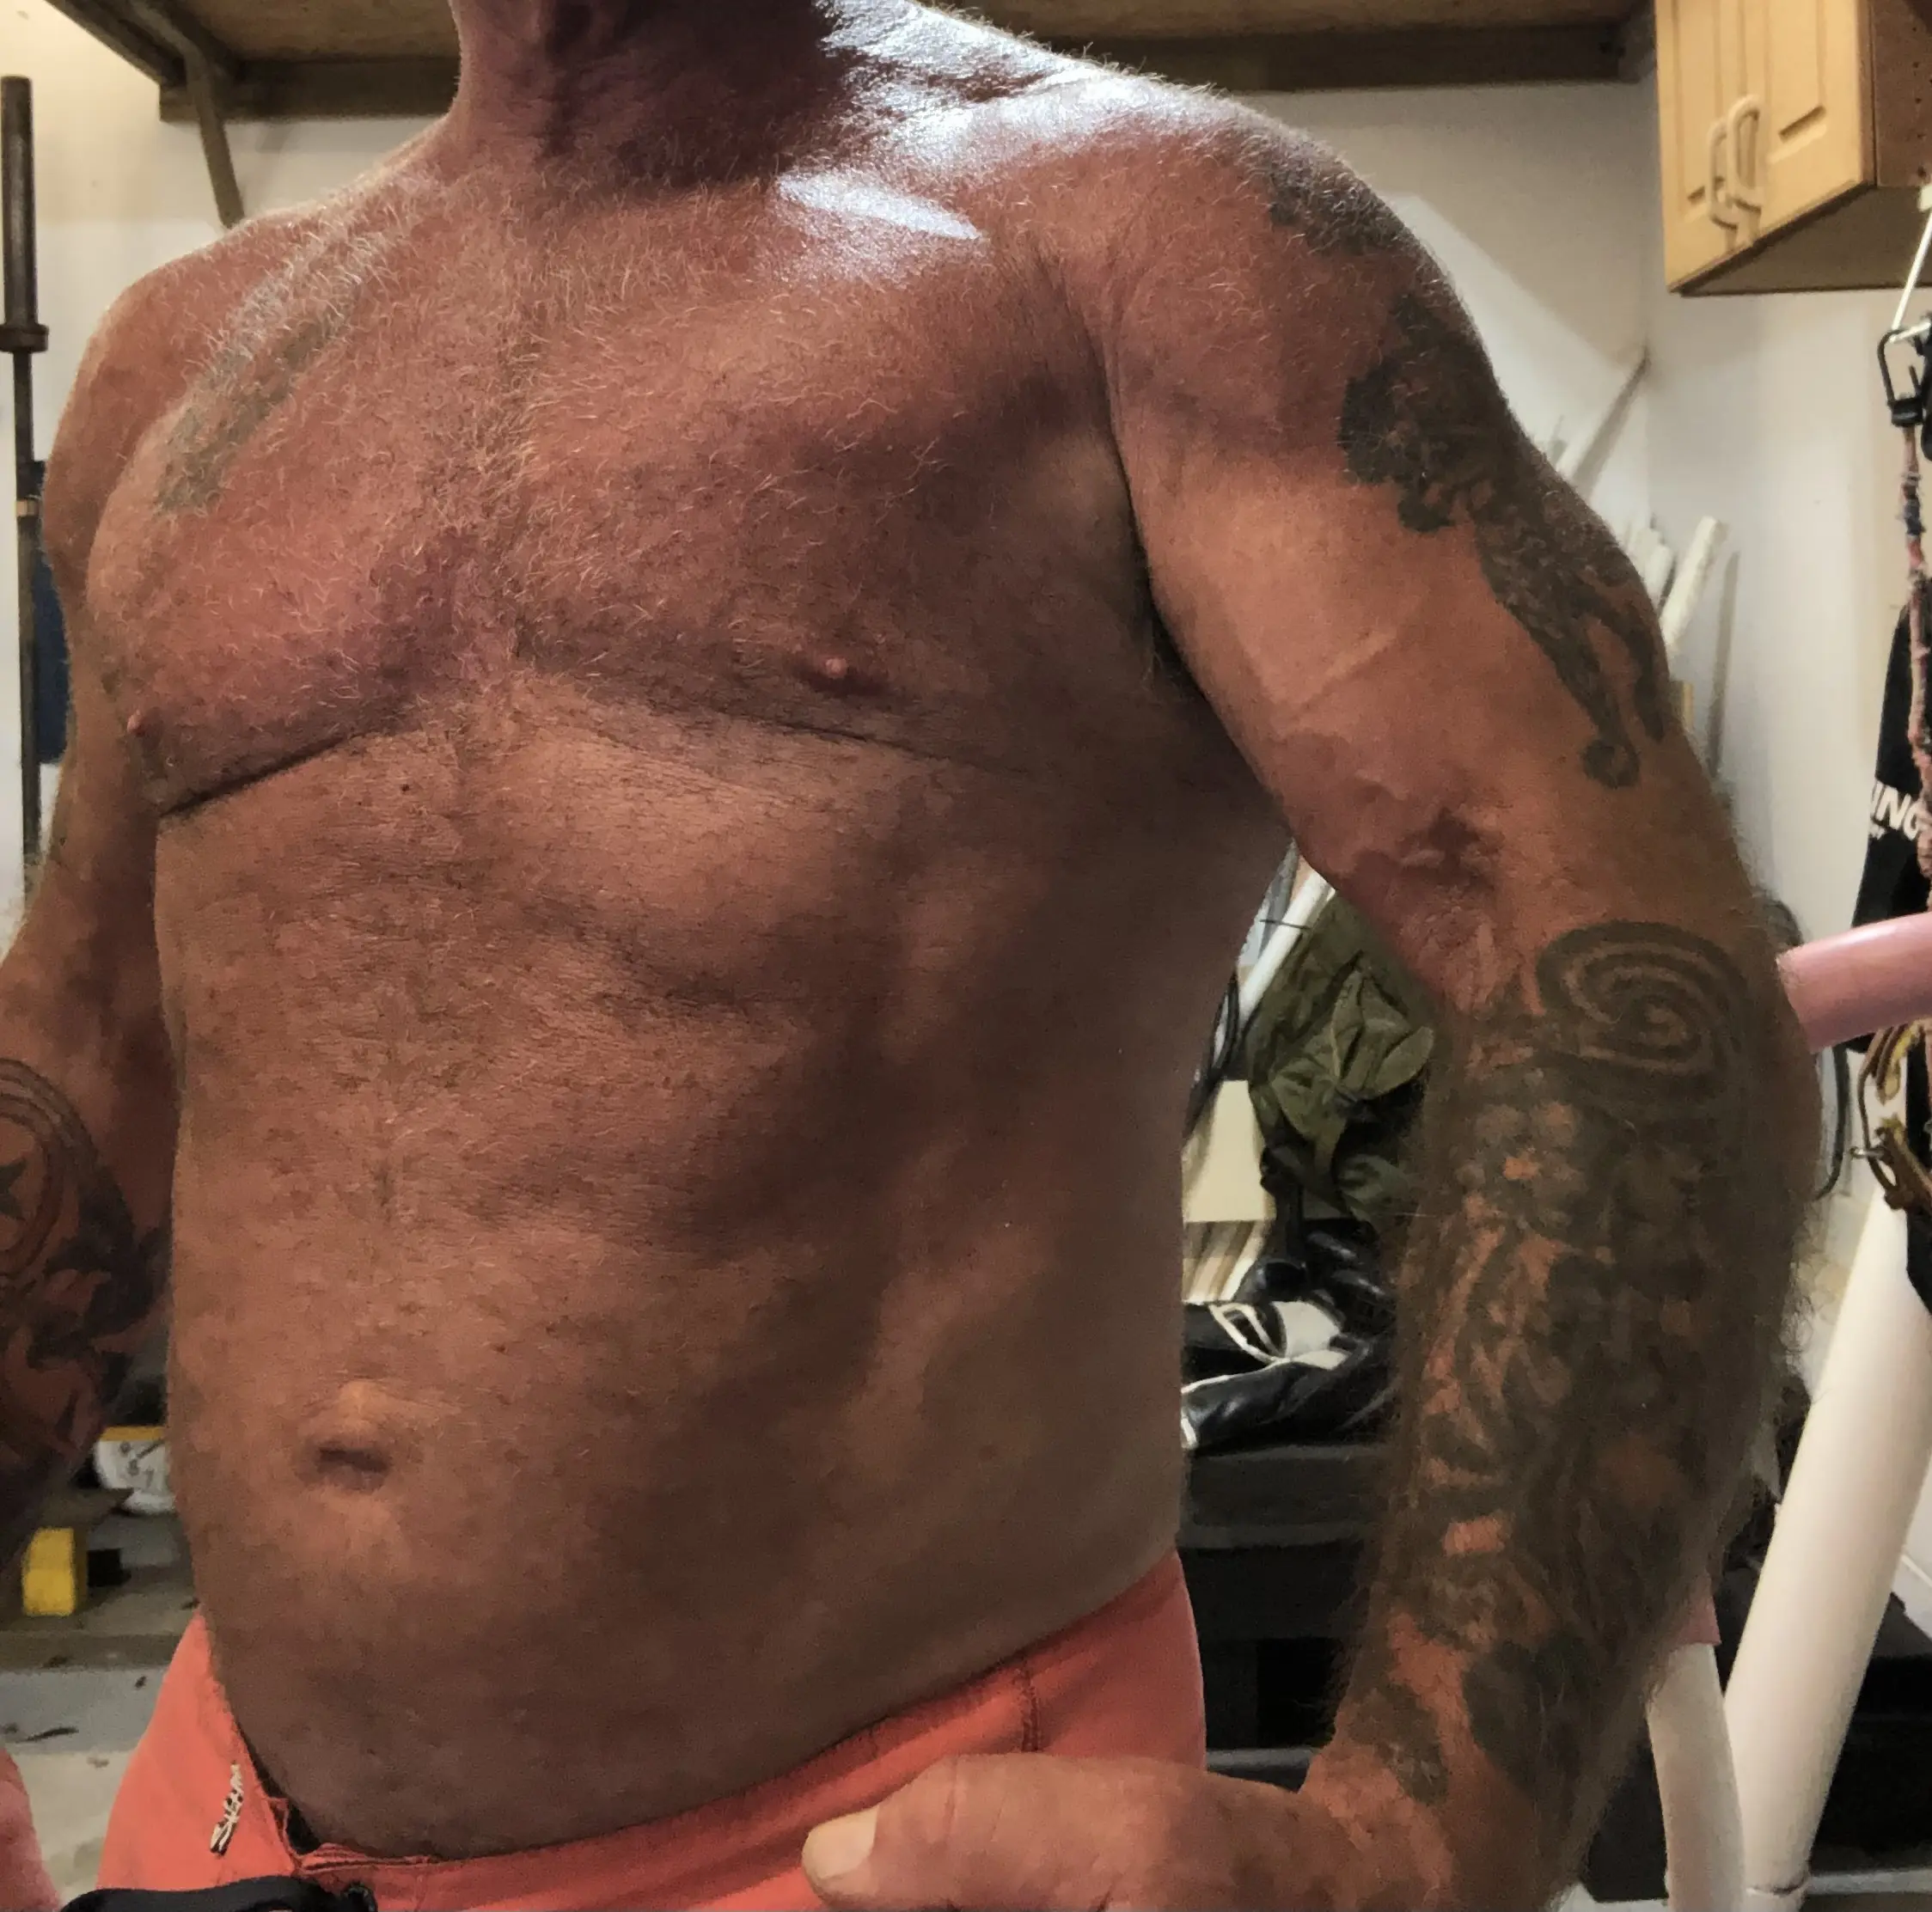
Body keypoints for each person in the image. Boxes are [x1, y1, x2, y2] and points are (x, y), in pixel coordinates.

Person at [0, 1, 1814, 1907]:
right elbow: (86, 1051)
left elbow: (1621, 978)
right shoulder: (182, 368)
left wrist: (1427, 1842)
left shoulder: (1157, 253)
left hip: (899, 1845)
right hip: (224, 1824)